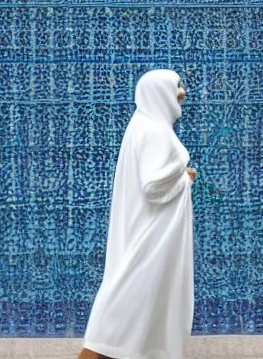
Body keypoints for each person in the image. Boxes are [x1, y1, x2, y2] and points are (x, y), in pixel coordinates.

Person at [78, 69, 197, 359]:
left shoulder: (142, 126)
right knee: (133, 288)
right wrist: (184, 176)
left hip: (149, 229)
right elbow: (153, 186)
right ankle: (93, 351)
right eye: (176, 86)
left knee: (137, 289)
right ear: (160, 92)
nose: (183, 93)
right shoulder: (155, 131)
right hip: (153, 233)